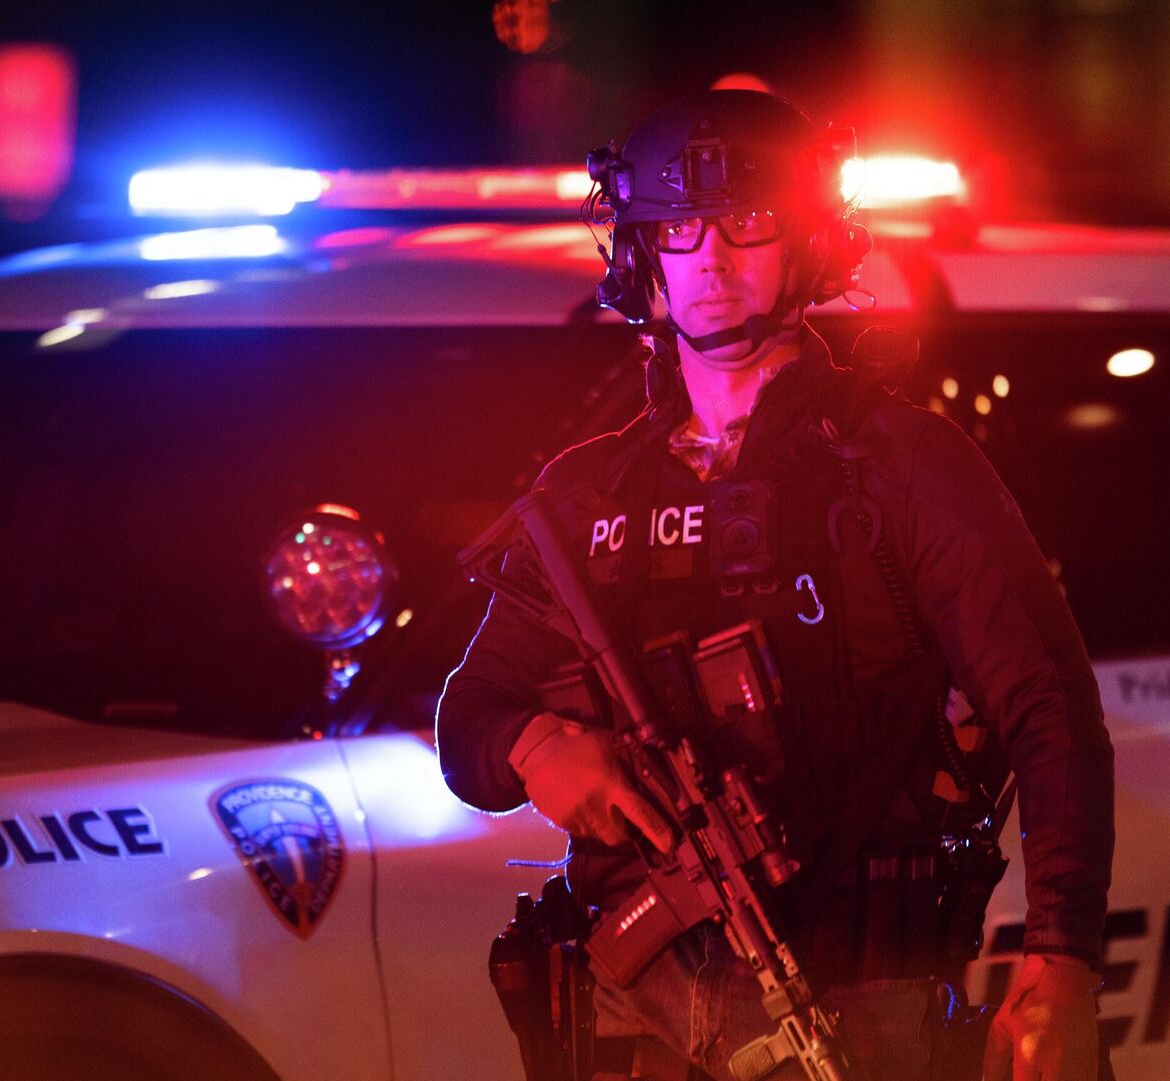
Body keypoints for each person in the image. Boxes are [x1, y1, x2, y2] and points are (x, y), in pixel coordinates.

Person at [437, 89, 1114, 1081]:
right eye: (680, 228)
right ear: (645, 253)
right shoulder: (589, 494)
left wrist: (1060, 959)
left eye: (747, 222)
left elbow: (1049, 711)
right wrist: (537, 748)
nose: (710, 258)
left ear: (807, 242)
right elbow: (468, 715)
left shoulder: (898, 467)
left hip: (857, 1008)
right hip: (639, 1026)